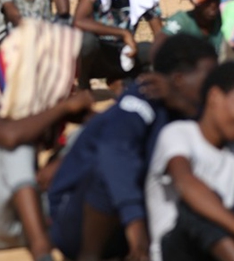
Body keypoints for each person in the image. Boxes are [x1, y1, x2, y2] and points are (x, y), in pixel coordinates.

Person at [48, 34, 218, 261]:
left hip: (134, 217)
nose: (214, 87)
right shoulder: (144, 97)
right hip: (76, 218)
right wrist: (135, 224)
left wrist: (182, 104)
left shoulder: (190, 109)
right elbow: (114, 152)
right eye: (208, 78)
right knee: (111, 170)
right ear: (178, 79)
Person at [0, 20, 92, 261]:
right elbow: (9, 136)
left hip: (21, 220)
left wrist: (61, 162)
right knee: (16, 146)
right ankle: (41, 250)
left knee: (86, 137)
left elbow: (103, 131)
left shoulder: (40, 102)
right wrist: (63, 108)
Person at [144, 62, 234, 261]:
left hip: (224, 251)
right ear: (214, 96)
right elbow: (186, 183)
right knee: (198, 209)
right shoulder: (178, 134)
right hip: (179, 251)